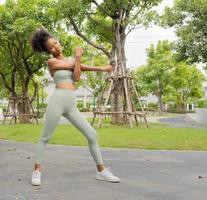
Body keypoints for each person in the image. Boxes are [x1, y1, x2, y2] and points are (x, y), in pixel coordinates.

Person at [29, 28, 120, 186]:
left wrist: (101, 68)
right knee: (45, 137)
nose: (56, 47)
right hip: (57, 101)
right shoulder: (52, 62)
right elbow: (74, 68)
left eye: (56, 43)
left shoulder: (71, 61)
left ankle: (101, 171)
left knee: (92, 135)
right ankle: (36, 171)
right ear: (47, 51)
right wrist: (78, 57)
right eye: (51, 47)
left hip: (71, 105)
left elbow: (76, 75)